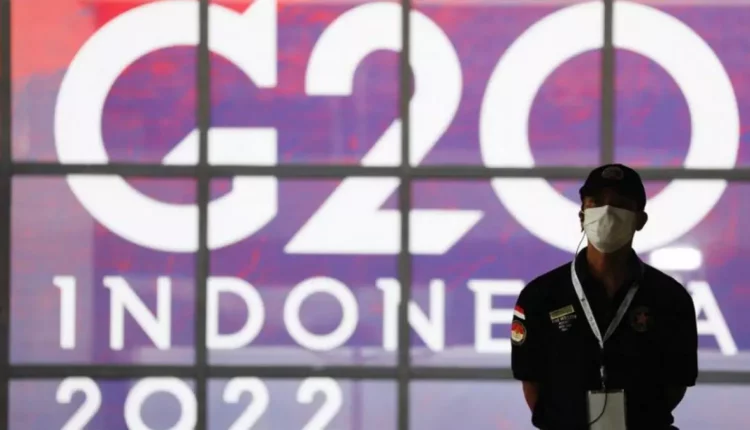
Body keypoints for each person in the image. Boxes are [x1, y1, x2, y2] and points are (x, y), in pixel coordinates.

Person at [511, 163, 698, 429]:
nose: (607, 212)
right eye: (596, 203)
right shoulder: (541, 295)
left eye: (620, 204)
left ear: (640, 220)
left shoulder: (670, 297)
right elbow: (531, 381)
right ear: (582, 216)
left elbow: (676, 383)